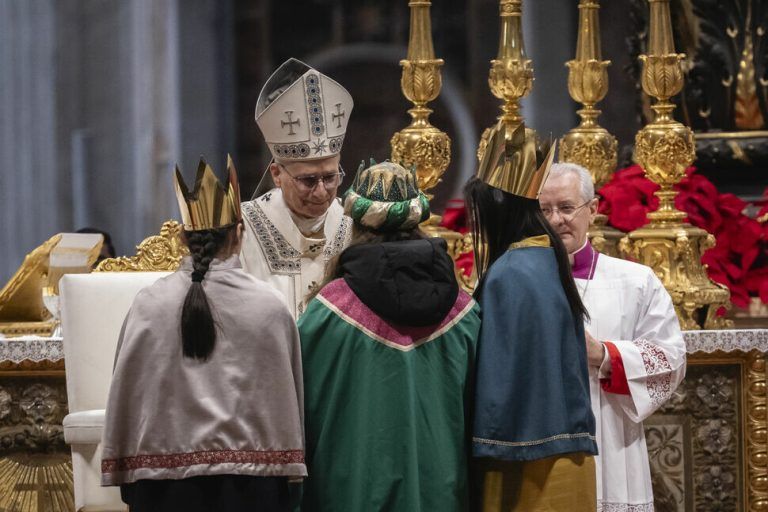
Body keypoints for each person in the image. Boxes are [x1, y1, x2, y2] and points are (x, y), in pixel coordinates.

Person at [101, 157, 306, 512]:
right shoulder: (269, 307)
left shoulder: (149, 304)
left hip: (163, 491)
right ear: (240, 234)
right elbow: (289, 402)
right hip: (251, 489)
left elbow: (126, 395)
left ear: (181, 238)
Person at [298, 160, 481, 512]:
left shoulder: (326, 315)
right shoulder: (465, 315)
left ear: (354, 223)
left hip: (352, 493)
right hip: (443, 494)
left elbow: (299, 420)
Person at [539, 162, 686, 512]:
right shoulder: (517, 280)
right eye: (545, 209)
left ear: (593, 210)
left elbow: (670, 357)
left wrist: (605, 355)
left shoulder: (635, 280)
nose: (557, 219)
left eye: (566, 207)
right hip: (542, 437)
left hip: (612, 439)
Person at [467, 122, 598, 511]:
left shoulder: (512, 272)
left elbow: (496, 379)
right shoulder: (543, 257)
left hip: (525, 468)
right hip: (562, 456)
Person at [240, 58, 354, 317]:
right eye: (308, 180)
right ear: (277, 174)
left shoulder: (353, 227)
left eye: (331, 177)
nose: (322, 191)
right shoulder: (242, 230)